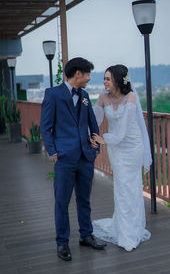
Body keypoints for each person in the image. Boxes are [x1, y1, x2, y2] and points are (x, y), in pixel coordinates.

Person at [40, 57, 106, 262]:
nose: (88, 78)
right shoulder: (53, 94)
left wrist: (95, 145)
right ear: (77, 73)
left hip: (85, 157)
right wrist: (53, 152)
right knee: (62, 201)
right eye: (87, 74)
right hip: (65, 158)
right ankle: (62, 242)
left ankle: (86, 235)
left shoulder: (85, 96)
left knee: (84, 198)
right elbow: (45, 126)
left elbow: (92, 124)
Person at [92, 64, 152, 252]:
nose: (104, 82)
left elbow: (123, 129)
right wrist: (88, 132)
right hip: (116, 149)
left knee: (131, 186)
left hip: (132, 146)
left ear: (118, 80)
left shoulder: (131, 97)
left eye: (108, 78)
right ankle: (123, 228)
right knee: (121, 186)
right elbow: (95, 119)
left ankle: (130, 232)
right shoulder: (103, 97)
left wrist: (105, 139)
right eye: (104, 78)